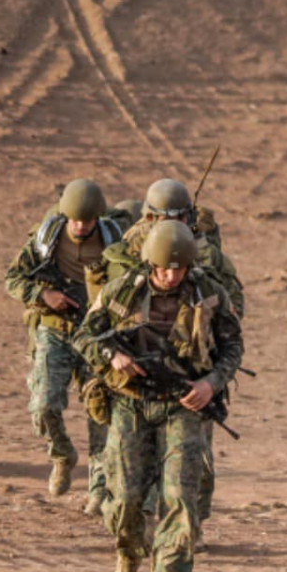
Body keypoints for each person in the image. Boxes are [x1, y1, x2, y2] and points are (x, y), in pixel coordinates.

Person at [73, 220, 243, 572]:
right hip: (131, 404)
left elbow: (233, 346)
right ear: (151, 264)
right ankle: (128, 558)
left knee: (181, 498)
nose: (172, 275)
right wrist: (112, 356)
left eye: (179, 268)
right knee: (128, 498)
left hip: (183, 406)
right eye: (165, 267)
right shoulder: (123, 292)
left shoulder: (209, 295)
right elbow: (85, 336)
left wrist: (211, 384)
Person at [91, 179, 246, 536]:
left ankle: (189, 525)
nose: (172, 222)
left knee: (194, 460)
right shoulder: (127, 250)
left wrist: (208, 339)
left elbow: (231, 308)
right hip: (133, 369)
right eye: (163, 216)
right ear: (148, 216)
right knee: (126, 453)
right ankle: (134, 518)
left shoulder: (204, 254)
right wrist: (112, 350)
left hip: (191, 371)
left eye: (180, 215)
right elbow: (101, 305)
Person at [4, 178, 126, 500]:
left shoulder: (114, 241)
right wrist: (44, 294)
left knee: (100, 408)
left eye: (88, 221)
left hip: (97, 332)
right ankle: (62, 455)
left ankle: (99, 486)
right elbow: (13, 279)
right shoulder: (47, 238)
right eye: (75, 220)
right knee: (43, 404)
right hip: (55, 327)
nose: (81, 226)